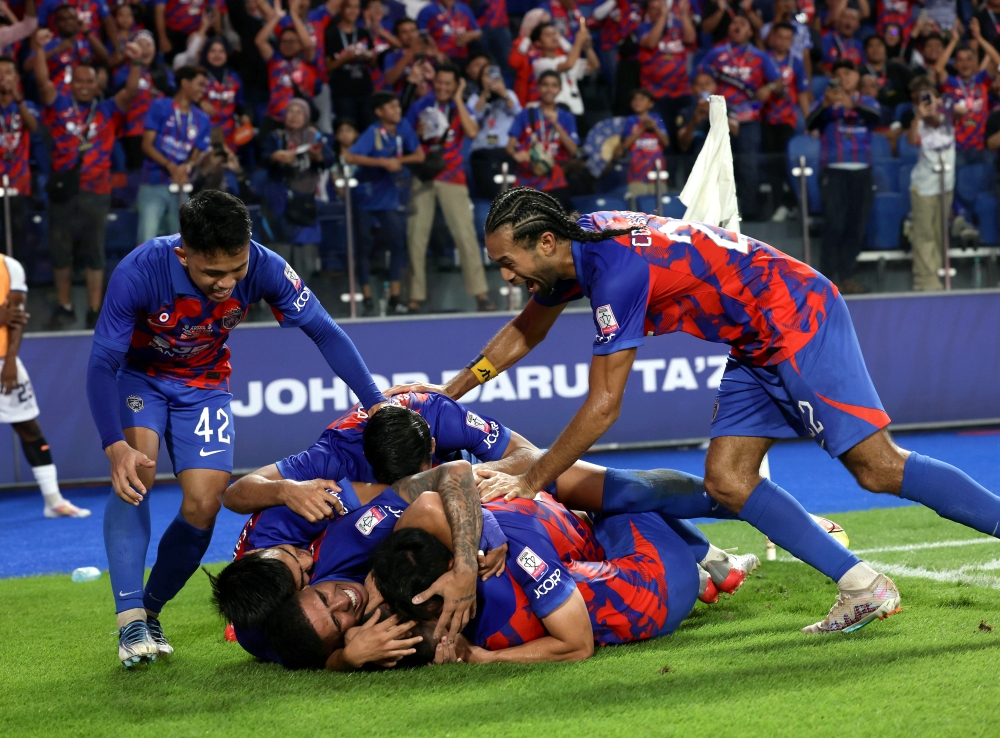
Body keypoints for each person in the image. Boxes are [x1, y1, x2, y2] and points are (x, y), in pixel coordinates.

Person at [398, 187, 1000, 635]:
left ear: (545, 243)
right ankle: (862, 584)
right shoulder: (573, 244)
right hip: (756, 337)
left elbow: (604, 407)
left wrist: (533, 480)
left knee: (877, 469)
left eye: (509, 263)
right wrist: (446, 397)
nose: (506, 275)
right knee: (729, 481)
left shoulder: (614, 273)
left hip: (794, 315)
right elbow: (524, 333)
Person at [85, 191, 387, 669]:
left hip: (205, 386)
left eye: (236, 269)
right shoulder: (139, 271)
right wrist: (114, 445)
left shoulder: (266, 266)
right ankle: (129, 619)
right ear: (183, 252)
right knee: (137, 475)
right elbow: (102, 363)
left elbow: (326, 331)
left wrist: (377, 404)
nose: (227, 284)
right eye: (212, 274)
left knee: (205, 504)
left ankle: (151, 610)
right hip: (140, 377)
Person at [35, 34, 141, 330]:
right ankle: (65, 306)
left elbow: (131, 90)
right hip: (64, 192)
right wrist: (40, 48)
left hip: (97, 192)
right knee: (61, 251)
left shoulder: (107, 109)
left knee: (94, 250)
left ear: (97, 84)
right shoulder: (58, 105)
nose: (83, 85)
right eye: (78, 81)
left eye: (89, 81)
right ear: (71, 84)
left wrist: (137, 60)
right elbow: (43, 83)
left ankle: (95, 309)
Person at [1, 255, 90, 517]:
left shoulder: (10, 266)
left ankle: (53, 501)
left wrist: (10, 363)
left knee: (29, 428)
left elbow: (15, 319)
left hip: (4, 362)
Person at [405, 64, 494, 313]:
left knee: (465, 237)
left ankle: (481, 294)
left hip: (453, 178)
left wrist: (458, 99)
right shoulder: (420, 106)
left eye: (448, 84)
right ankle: (414, 297)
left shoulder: (461, 108)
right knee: (416, 237)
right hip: (424, 176)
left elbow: (472, 130)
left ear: (456, 85)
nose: (443, 88)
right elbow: (404, 138)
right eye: (440, 83)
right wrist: (417, 133)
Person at [345, 91, 424, 316]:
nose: (397, 111)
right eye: (391, 108)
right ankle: (367, 297)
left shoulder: (404, 127)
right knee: (364, 244)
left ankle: (395, 297)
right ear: (379, 112)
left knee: (398, 240)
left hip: (389, 195)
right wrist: (381, 162)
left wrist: (395, 161)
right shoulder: (372, 132)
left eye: (398, 107)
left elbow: (419, 156)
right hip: (366, 195)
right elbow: (351, 157)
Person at [698, 14, 782, 221]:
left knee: (748, 165)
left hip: (749, 118)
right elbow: (698, 75)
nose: (737, 26)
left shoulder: (760, 56)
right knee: (717, 164)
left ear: (750, 32)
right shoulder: (716, 53)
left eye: (742, 24)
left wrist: (769, 87)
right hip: (720, 117)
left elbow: (779, 82)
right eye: (734, 23)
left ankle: (749, 212)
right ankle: (715, 213)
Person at [807, 59, 880, 292]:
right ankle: (826, 280)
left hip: (862, 171)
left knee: (855, 226)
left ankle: (847, 277)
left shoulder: (866, 101)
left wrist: (852, 105)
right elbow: (810, 122)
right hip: (833, 170)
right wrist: (827, 105)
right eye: (838, 74)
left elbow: (876, 117)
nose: (844, 77)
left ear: (857, 78)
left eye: (848, 73)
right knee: (834, 224)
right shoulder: (824, 103)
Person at [262, 97, 334, 282]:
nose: (293, 116)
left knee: (306, 265)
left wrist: (318, 156)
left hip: (305, 204)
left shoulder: (315, 137)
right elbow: (262, 158)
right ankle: (276, 306)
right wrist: (275, 156)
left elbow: (329, 159)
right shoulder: (275, 137)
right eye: (290, 111)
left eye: (299, 112)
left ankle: (302, 305)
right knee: (279, 263)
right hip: (280, 203)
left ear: (307, 116)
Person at [136, 65, 210, 244]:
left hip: (182, 185)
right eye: (200, 84)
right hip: (154, 182)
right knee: (146, 240)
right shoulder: (160, 106)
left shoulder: (203, 119)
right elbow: (146, 145)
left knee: (183, 244)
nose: (203, 90)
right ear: (185, 83)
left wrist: (188, 166)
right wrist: (170, 166)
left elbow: (196, 154)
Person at [906, 79, 954, 291]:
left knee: (940, 233)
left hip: (946, 185)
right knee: (924, 234)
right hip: (924, 187)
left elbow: (963, 111)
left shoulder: (950, 118)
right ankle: (925, 281)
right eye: (921, 99)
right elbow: (910, 140)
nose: (927, 102)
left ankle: (940, 275)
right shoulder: (919, 124)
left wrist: (938, 110)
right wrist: (918, 117)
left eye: (930, 97)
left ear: (939, 99)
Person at [506, 70, 578, 208]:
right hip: (526, 181)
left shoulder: (566, 117)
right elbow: (510, 147)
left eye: (554, 85)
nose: (549, 89)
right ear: (538, 88)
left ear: (560, 89)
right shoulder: (525, 115)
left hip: (555, 181)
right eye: (545, 85)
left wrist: (556, 125)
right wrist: (516, 155)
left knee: (556, 227)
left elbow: (573, 150)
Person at [762, 21, 811, 223]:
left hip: (787, 119)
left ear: (792, 41)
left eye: (787, 38)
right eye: (779, 36)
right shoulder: (764, 60)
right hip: (765, 117)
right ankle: (779, 205)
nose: (783, 41)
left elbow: (802, 94)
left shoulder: (796, 63)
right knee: (773, 164)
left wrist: (810, 121)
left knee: (787, 162)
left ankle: (793, 205)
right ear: (773, 38)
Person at [936, 19, 1000, 167]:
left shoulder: (981, 80)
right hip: (957, 147)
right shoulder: (950, 84)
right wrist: (953, 41)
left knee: (985, 187)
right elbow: (939, 69)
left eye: (969, 60)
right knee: (960, 189)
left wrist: (979, 38)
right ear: (956, 64)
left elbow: (998, 63)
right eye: (960, 60)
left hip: (982, 147)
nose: (965, 64)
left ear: (974, 62)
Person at [255, 0, 321, 139]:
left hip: (301, 120)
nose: (287, 45)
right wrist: (276, 18)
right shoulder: (275, 60)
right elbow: (260, 41)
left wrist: (294, 15)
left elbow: (308, 45)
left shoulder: (307, 61)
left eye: (292, 41)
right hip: (275, 118)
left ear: (300, 43)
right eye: (284, 41)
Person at [113, 30, 174, 172]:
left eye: (149, 45)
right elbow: (122, 99)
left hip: (162, 134)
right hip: (134, 133)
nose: (145, 49)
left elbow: (174, 100)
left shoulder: (165, 73)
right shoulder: (123, 72)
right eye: (140, 44)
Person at [637, 0, 696, 147]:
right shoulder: (643, 27)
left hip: (682, 92)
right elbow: (651, 43)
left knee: (685, 137)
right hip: (657, 95)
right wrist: (663, 17)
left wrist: (683, 16)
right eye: (653, 8)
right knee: (664, 138)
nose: (658, 11)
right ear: (648, 13)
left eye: (661, 8)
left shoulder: (677, 28)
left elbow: (690, 38)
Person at [0, 54, 35, 272]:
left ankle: (17, 287)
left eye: (8, 72)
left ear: (17, 77)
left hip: (19, 182)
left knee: (18, 239)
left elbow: (33, 126)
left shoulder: (26, 106)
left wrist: (17, 98)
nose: (4, 78)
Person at [467, 60, 522, 199]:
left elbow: (518, 113)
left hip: (505, 152)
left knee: (509, 197)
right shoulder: (475, 98)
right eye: (486, 75)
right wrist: (485, 93)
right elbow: (474, 116)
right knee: (488, 197)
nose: (490, 78)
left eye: (494, 75)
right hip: (482, 153)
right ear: (480, 78)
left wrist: (503, 93)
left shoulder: (509, 94)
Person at [35, 5, 108, 96]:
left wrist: (86, 32)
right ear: (56, 23)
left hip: (83, 92)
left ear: (77, 20)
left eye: (71, 18)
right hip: (58, 94)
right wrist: (57, 50)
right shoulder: (49, 43)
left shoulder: (84, 41)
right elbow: (27, 65)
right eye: (63, 19)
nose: (68, 22)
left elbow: (105, 57)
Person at [613, 88, 669, 207]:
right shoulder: (630, 120)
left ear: (650, 103)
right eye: (634, 99)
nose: (637, 102)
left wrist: (655, 128)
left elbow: (666, 142)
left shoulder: (657, 118)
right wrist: (642, 128)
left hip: (657, 174)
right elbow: (626, 144)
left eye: (642, 99)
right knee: (637, 211)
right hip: (636, 176)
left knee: (660, 210)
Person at [325, 0, 375, 130]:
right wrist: (346, 58)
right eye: (349, 7)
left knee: (368, 126)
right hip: (343, 91)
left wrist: (369, 56)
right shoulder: (331, 34)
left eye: (356, 7)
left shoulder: (363, 33)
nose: (353, 11)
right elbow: (328, 66)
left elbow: (373, 62)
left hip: (364, 88)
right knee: (347, 127)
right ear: (341, 9)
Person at [530, 21, 597, 117]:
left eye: (555, 34)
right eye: (548, 35)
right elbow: (568, 66)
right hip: (556, 113)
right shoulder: (539, 64)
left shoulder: (565, 59)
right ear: (538, 43)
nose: (554, 38)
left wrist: (587, 47)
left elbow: (593, 65)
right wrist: (578, 41)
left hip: (577, 110)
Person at [199, 37, 249, 153]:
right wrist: (199, 102)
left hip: (230, 133)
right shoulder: (199, 75)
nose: (217, 55)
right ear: (206, 53)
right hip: (204, 130)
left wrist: (245, 115)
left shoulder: (234, 77)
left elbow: (240, 103)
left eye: (221, 51)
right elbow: (184, 98)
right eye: (213, 51)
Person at [416, 0, 481, 64]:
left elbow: (478, 32)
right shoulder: (427, 10)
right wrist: (436, 53)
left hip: (462, 56)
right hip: (437, 58)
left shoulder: (464, 8)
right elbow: (422, 37)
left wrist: (470, 35)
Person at [821, 7, 865, 71]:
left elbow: (862, 67)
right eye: (845, 17)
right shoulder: (826, 39)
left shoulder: (859, 45)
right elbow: (819, 64)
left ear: (858, 24)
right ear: (838, 21)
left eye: (853, 19)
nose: (848, 22)